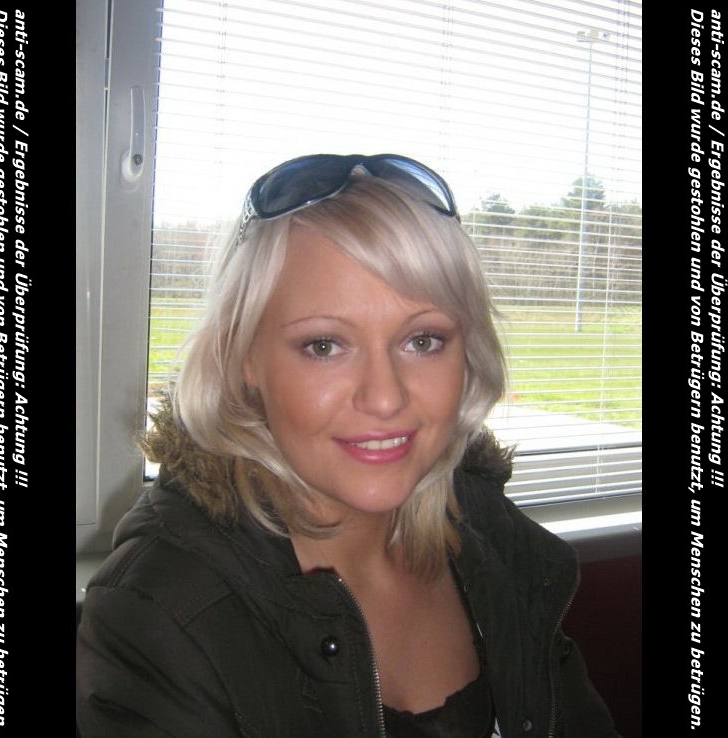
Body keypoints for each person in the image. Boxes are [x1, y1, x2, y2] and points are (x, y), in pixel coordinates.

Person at [76, 154, 620, 737]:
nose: (384, 398)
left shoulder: (494, 539)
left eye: (423, 340)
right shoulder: (162, 610)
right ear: (244, 358)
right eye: (324, 346)